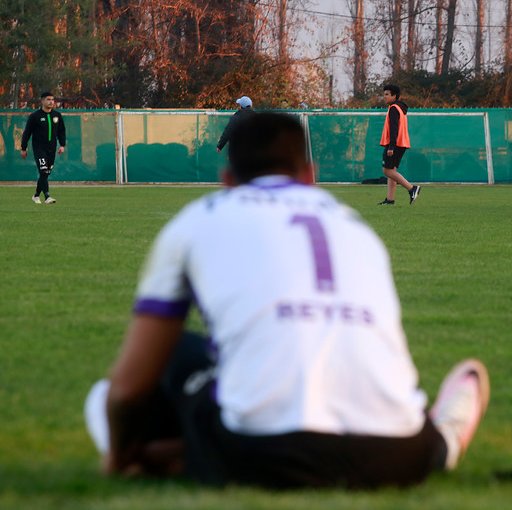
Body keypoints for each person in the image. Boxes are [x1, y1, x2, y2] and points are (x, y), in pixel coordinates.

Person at [83, 112, 490, 489]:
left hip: (261, 455)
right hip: (398, 454)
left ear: (227, 180)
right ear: (310, 176)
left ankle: (170, 456)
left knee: (133, 379)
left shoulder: (199, 218)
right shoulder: (356, 229)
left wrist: (119, 458)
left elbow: (128, 389)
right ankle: (440, 442)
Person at [378, 84, 421, 205]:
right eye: (384, 94)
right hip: (401, 143)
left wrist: (391, 146)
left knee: (387, 171)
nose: (384, 97)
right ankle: (390, 199)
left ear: (394, 95)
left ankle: (412, 188)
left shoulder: (393, 109)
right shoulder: (399, 108)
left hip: (395, 144)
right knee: (392, 170)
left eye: (387, 94)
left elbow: (394, 128)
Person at [20, 91, 65, 204]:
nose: (51, 102)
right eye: (48, 99)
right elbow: (27, 133)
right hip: (39, 148)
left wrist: (62, 145)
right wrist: (23, 148)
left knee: (46, 173)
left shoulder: (57, 116)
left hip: (52, 148)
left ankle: (36, 195)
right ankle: (47, 197)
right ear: (42, 101)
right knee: (43, 170)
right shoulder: (35, 116)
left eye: (52, 100)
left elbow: (61, 131)